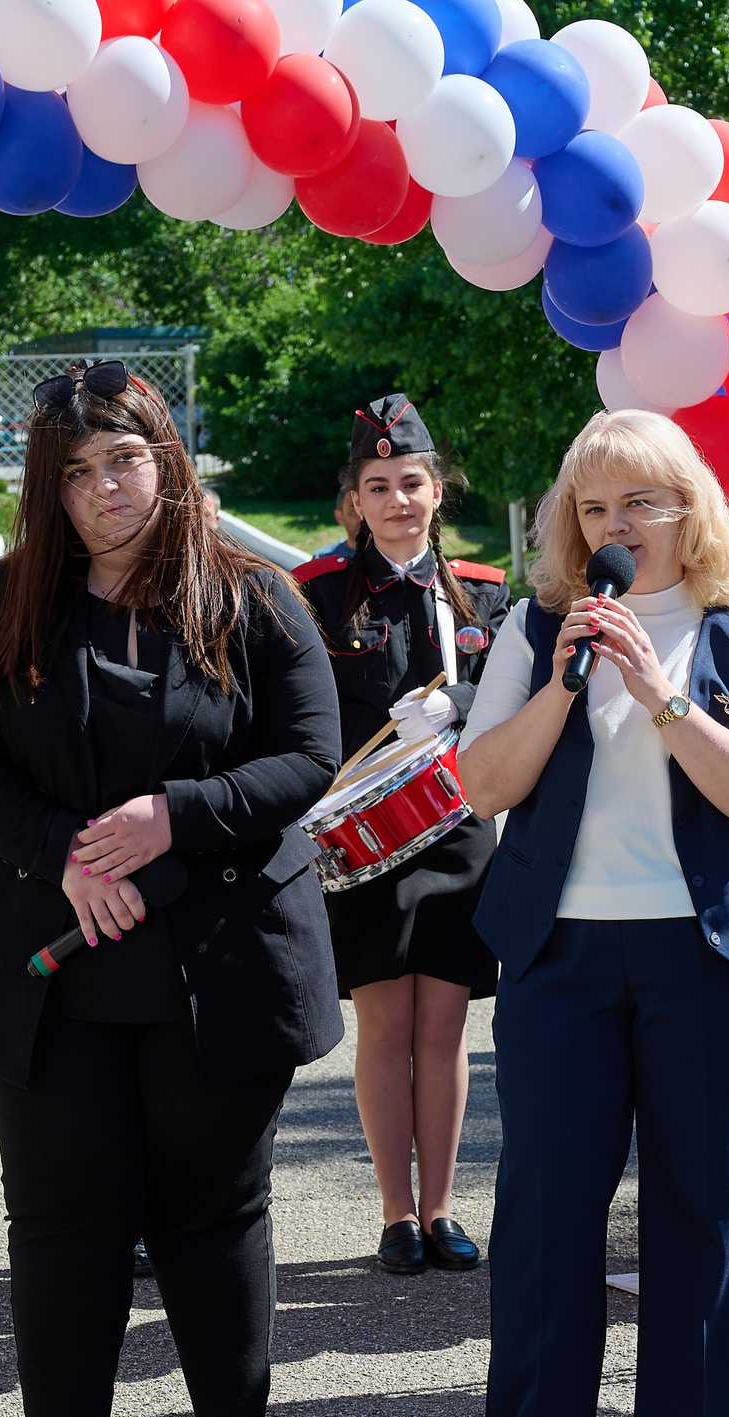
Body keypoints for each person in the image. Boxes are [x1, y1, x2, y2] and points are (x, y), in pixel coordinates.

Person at [0, 361, 342, 1417]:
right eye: (76, 471)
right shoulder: (5, 599)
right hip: (53, 962)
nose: (106, 488)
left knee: (216, 1209)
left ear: (165, 457)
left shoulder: (254, 595)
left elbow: (310, 754)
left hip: (217, 958)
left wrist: (176, 814)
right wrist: (64, 850)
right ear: (46, 490)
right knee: (62, 1214)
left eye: (124, 459)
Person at [451, 409, 729, 1417]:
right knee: (546, 1221)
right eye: (594, 507)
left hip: (706, 960)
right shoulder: (537, 626)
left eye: (639, 503)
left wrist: (661, 692)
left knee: (695, 1216)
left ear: (687, 509)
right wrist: (558, 684)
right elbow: (480, 785)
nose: (615, 527)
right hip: (563, 957)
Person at [295, 395, 510, 1275]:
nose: (398, 500)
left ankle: (441, 1207)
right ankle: (393, 1214)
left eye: (411, 482)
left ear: (436, 489)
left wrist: (455, 703)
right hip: (367, 841)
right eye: (378, 485)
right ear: (355, 498)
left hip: (458, 834)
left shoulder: (482, 592)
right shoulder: (317, 594)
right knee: (386, 1027)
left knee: (446, 1029)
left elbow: (516, 697)